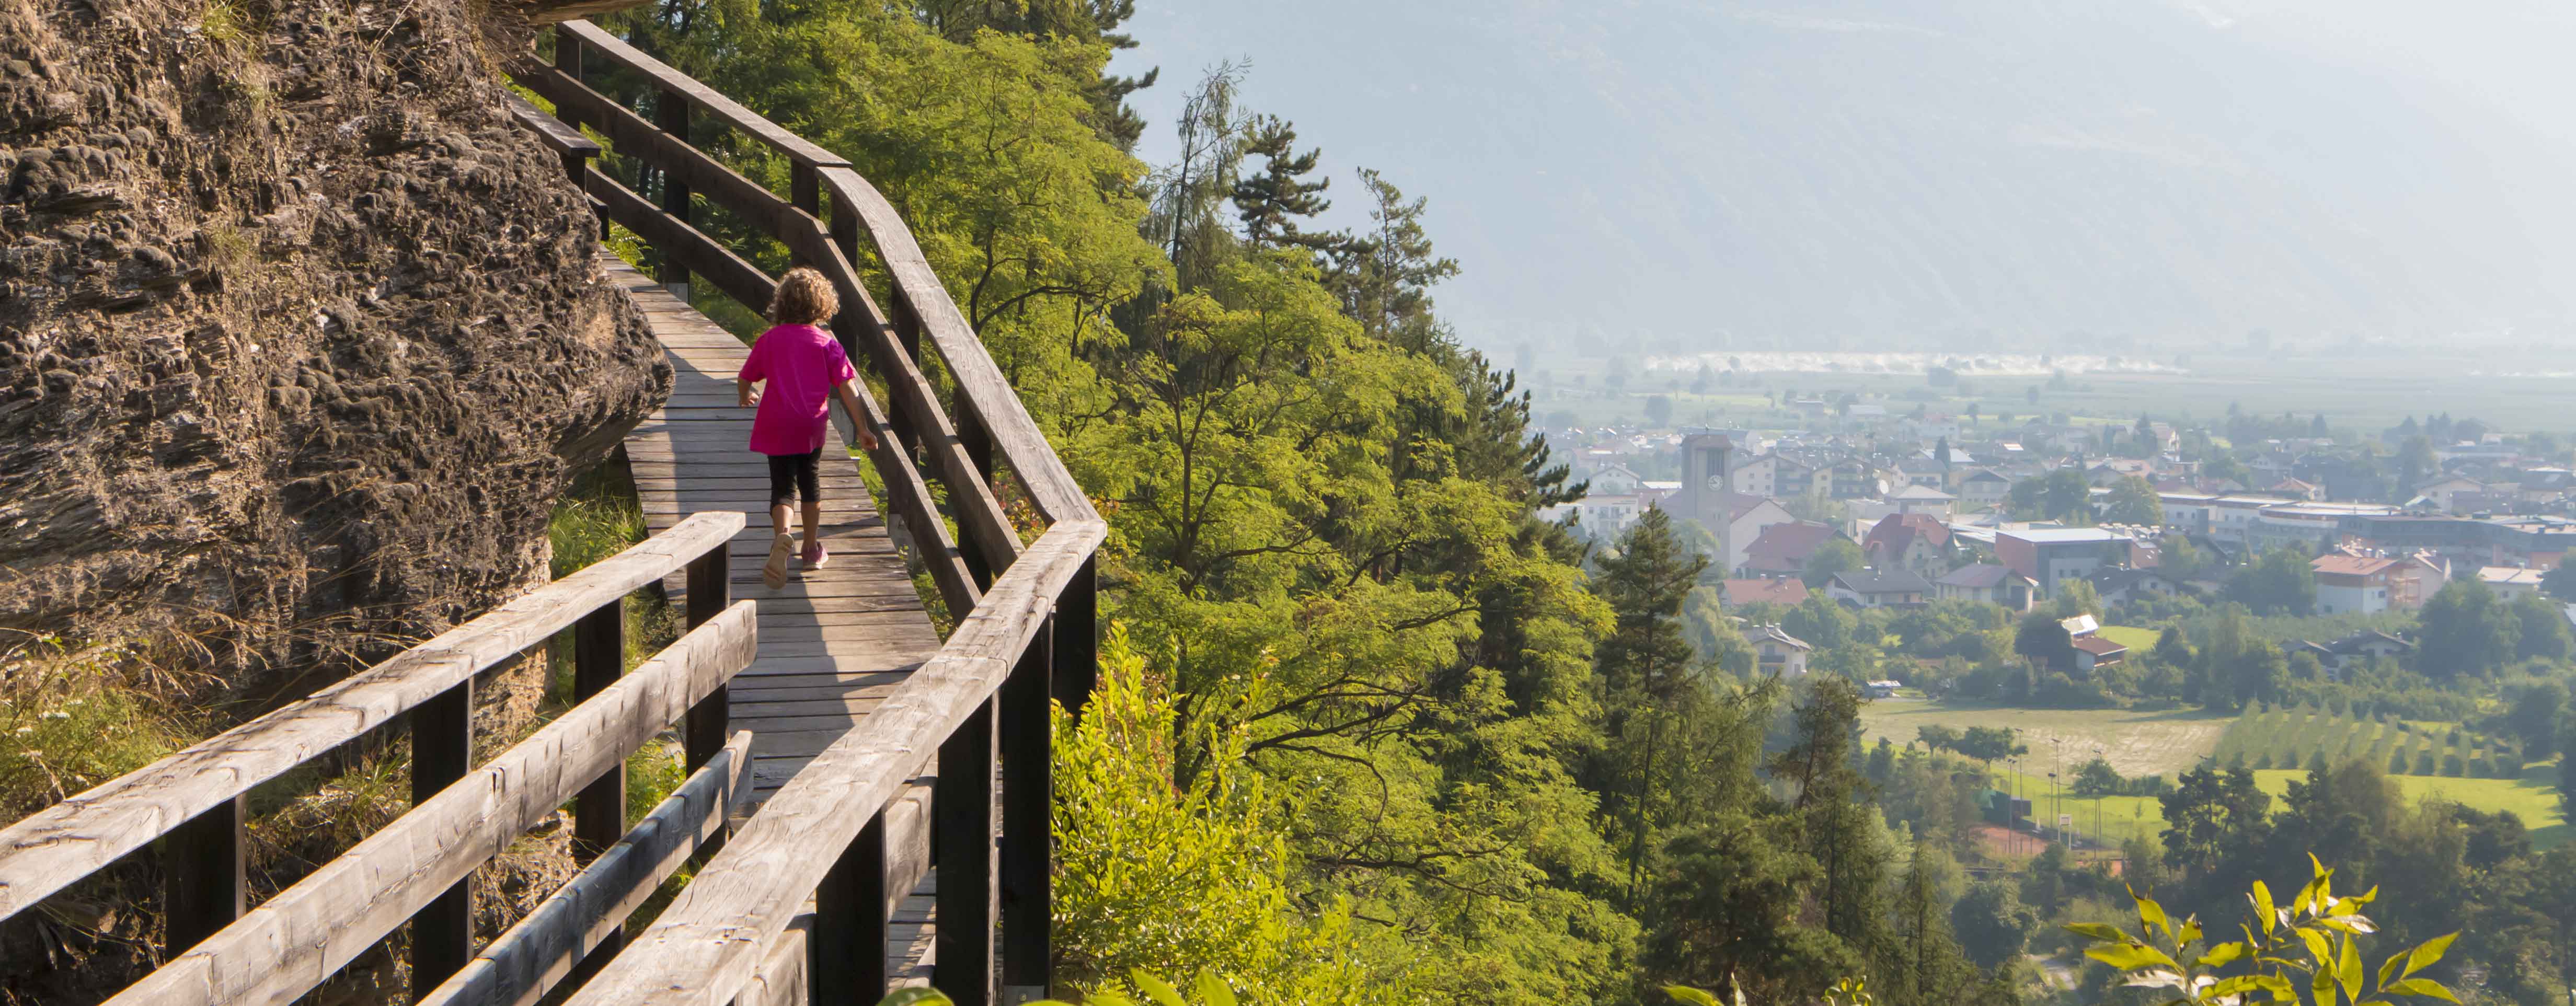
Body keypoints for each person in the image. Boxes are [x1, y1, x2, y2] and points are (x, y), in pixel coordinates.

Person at [738, 267, 880, 588]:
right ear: (822, 307)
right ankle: (811, 548)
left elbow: (746, 377)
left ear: (782, 304)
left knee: (782, 487)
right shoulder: (827, 345)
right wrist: (863, 429)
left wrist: (747, 396)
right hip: (809, 427)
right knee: (810, 483)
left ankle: (782, 538)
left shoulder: (770, 340)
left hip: (776, 423)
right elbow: (848, 389)